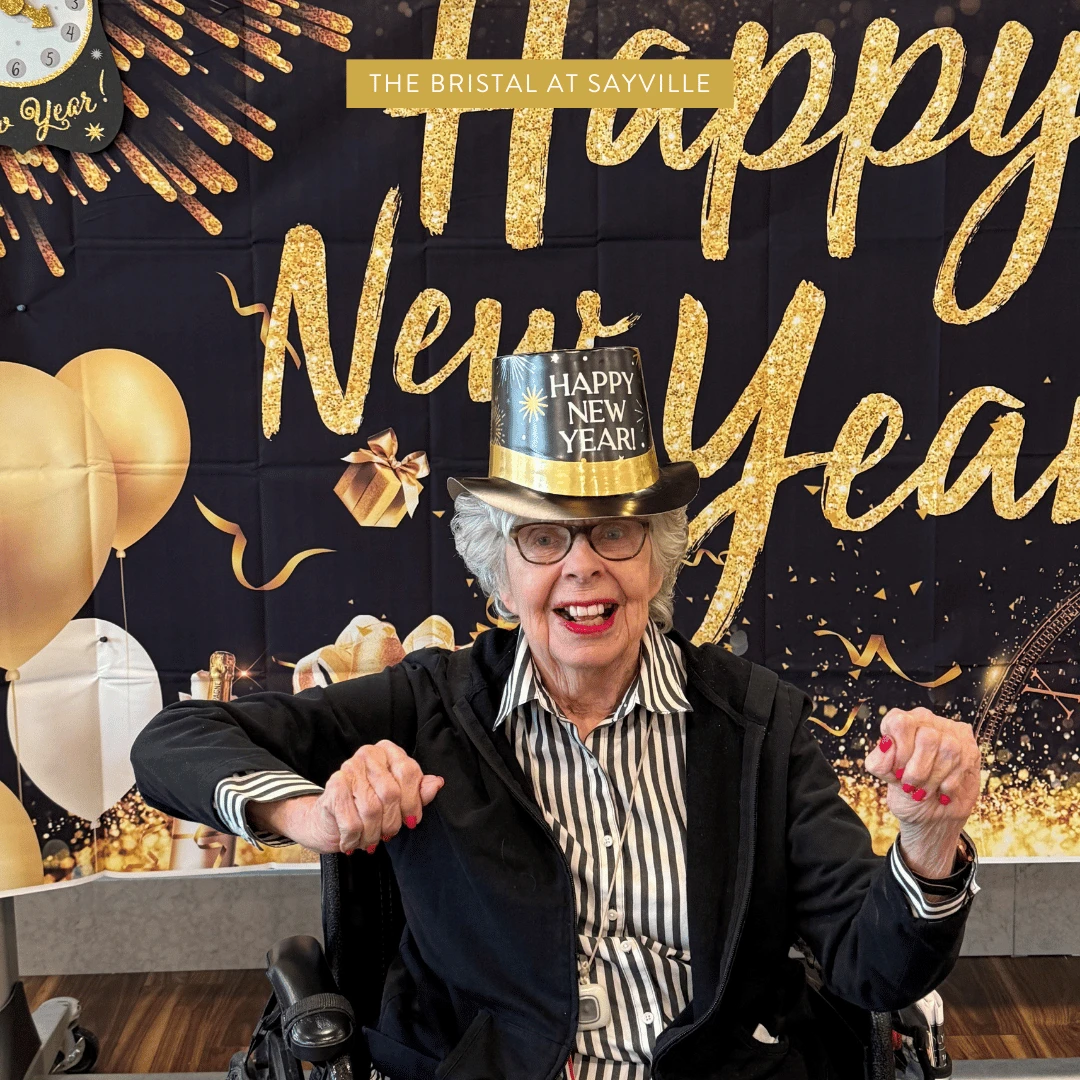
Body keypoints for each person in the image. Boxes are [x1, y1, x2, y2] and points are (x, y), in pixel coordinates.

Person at [131, 347, 981, 1080]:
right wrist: (308, 812)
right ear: (501, 571)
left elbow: (876, 972)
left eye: (615, 530)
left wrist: (929, 842)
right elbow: (171, 743)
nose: (582, 567)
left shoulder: (760, 726)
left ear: (658, 556)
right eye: (543, 537)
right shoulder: (426, 705)